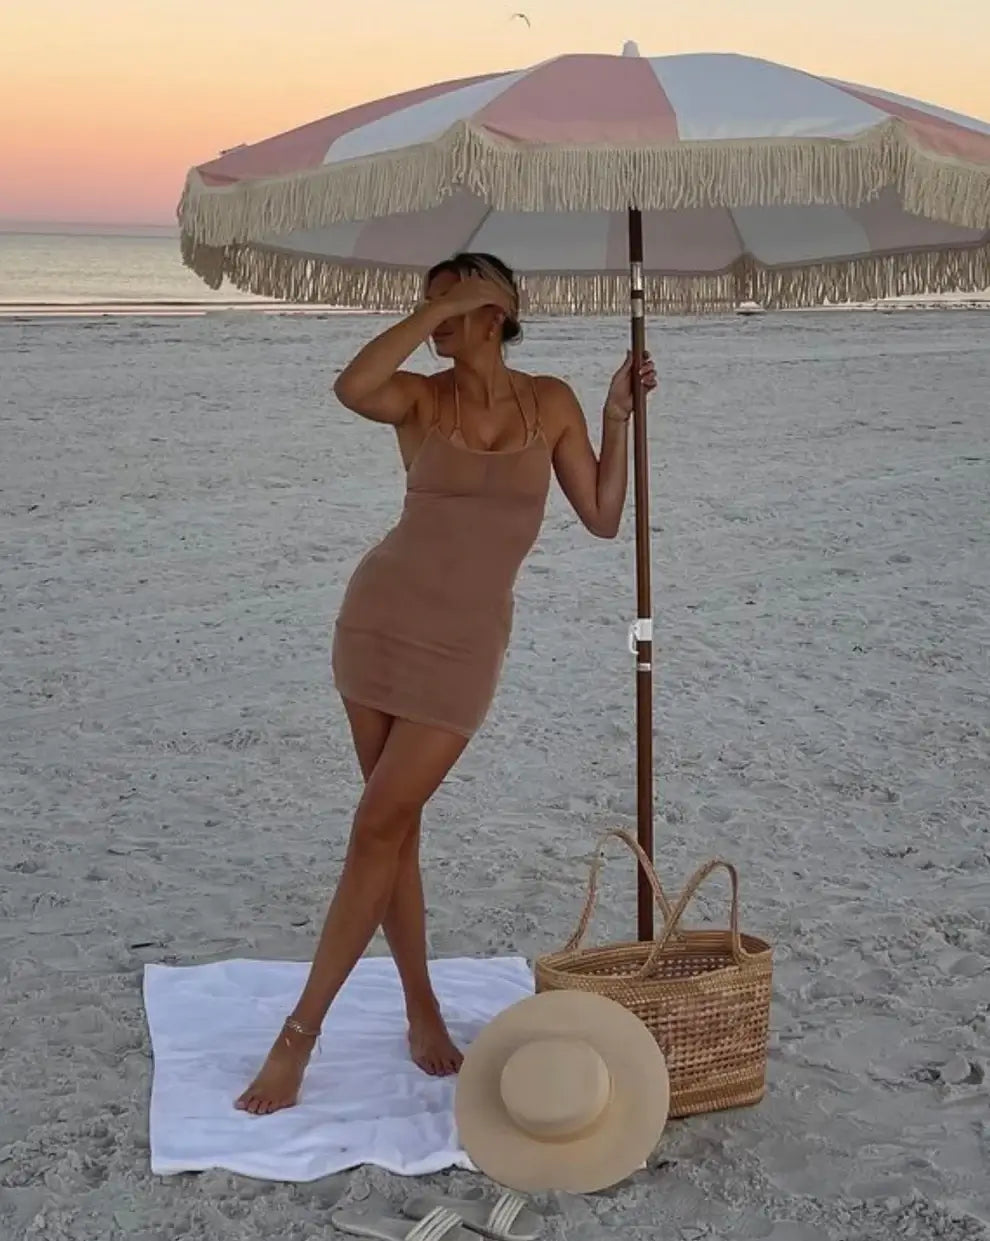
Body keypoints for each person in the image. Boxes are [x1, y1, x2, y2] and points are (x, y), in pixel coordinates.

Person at [235, 252, 658, 1115]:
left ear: (495, 315)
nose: (434, 319)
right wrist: (435, 312)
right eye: (429, 306)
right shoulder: (421, 400)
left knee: (379, 824)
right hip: (377, 626)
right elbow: (352, 386)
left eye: (453, 305)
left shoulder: (551, 401)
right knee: (391, 830)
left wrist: (616, 415)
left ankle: (301, 1034)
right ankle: (415, 1005)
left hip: (463, 651)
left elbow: (604, 516)